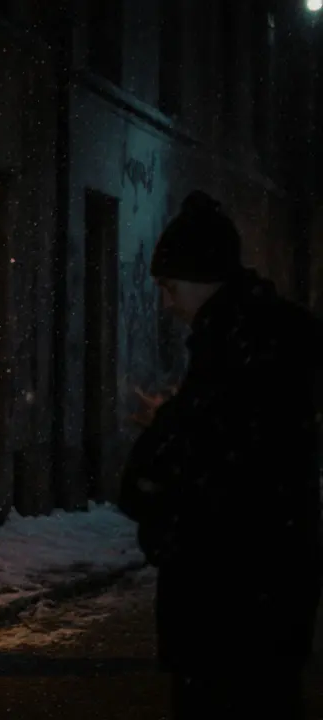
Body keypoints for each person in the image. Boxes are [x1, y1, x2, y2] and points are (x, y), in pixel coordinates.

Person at [119, 191, 323, 720]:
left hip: (232, 603)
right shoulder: (254, 334)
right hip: (256, 599)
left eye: (169, 287)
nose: (167, 303)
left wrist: (167, 431)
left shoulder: (241, 342)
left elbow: (222, 462)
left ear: (200, 276)